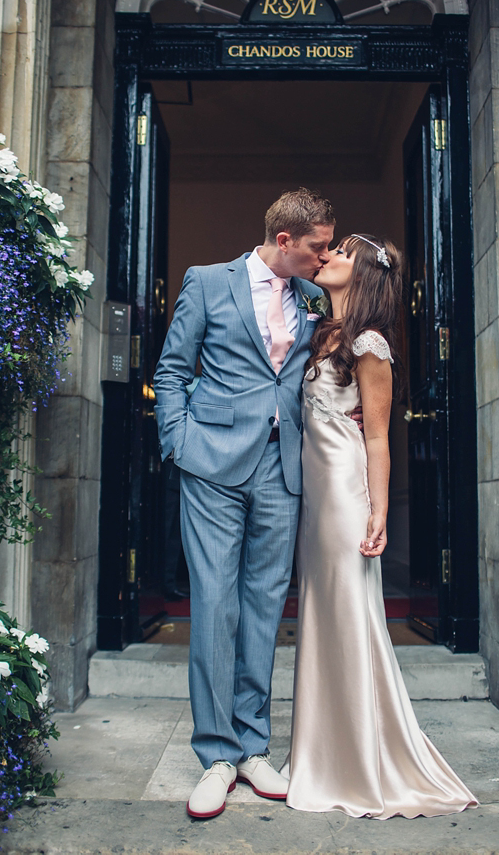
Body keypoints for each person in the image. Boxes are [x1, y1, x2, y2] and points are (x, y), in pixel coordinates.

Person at [153, 188, 335, 819]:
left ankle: (253, 744)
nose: (325, 255)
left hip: (283, 469)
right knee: (214, 603)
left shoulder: (315, 298)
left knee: (263, 608)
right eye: (317, 246)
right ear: (284, 241)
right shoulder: (206, 282)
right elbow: (173, 368)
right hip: (211, 464)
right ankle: (216, 756)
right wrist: (177, 443)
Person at [284, 233, 478, 819]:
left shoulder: (370, 343)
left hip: (344, 493)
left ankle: (361, 762)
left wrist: (378, 511)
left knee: (348, 612)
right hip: (313, 497)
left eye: (340, 252)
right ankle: (320, 753)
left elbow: (376, 435)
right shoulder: (318, 330)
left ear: (363, 273)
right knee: (319, 613)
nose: (328, 257)